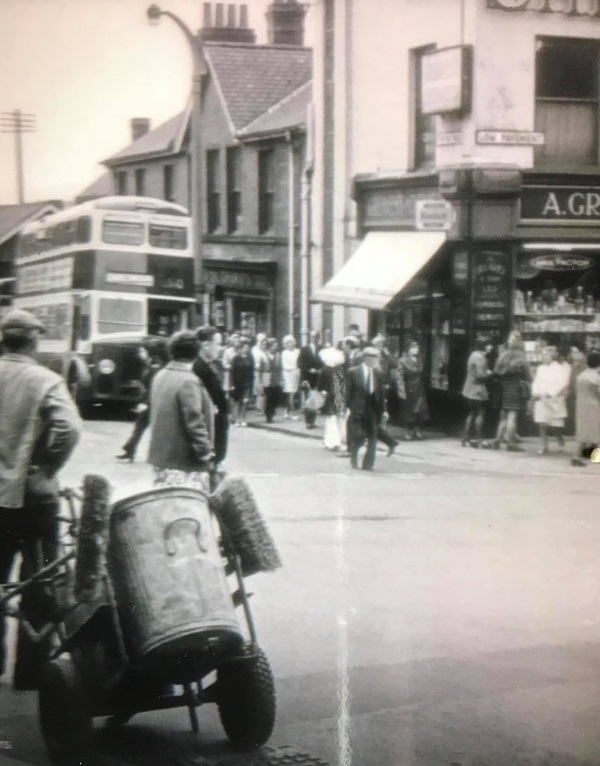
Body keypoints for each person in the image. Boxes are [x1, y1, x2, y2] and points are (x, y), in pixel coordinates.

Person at [0, 309, 81, 684]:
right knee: (40, 580)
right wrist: (45, 465)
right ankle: (30, 671)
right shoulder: (45, 379)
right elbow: (68, 426)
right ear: (33, 341)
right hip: (34, 497)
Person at [148, 330, 214, 491]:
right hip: (184, 461)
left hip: (161, 458)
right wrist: (206, 454)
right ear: (196, 353)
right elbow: (194, 422)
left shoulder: (160, 375)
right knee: (187, 509)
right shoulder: (188, 381)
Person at [117, 338, 169, 462]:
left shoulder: (155, 367)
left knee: (144, 427)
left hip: (151, 402)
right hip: (151, 402)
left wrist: (144, 403)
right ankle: (130, 449)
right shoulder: (152, 364)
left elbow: (152, 387)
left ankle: (131, 450)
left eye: (142, 351)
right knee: (140, 427)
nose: (140, 354)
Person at [193, 326, 230, 467]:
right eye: (218, 344)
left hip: (216, 437)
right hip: (210, 439)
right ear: (206, 346)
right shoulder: (198, 369)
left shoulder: (210, 366)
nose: (221, 348)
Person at [345, 346, 385, 471]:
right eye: (373, 357)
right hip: (357, 408)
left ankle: (368, 464)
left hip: (372, 408)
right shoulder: (353, 372)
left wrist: (384, 411)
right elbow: (347, 391)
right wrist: (343, 408)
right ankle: (354, 455)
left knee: (373, 437)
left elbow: (382, 393)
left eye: (377, 357)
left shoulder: (378, 373)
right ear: (366, 358)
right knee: (358, 436)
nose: (376, 360)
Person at [492, 330, 531, 452]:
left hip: (504, 388)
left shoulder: (503, 355)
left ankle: (497, 440)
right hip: (515, 387)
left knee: (503, 416)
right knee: (512, 416)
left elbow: (496, 371)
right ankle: (511, 443)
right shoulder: (521, 357)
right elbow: (528, 375)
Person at [531, 345, 570, 454]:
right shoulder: (540, 368)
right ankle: (544, 446)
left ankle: (560, 442)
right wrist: (536, 392)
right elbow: (536, 381)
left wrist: (551, 393)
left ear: (552, 356)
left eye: (547, 354)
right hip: (541, 397)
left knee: (556, 426)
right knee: (542, 423)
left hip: (554, 398)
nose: (544, 357)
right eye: (543, 355)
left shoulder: (559, 368)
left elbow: (563, 383)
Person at [571, 351, 600, 467]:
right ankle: (596, 457)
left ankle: (576, 456)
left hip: (581, 407)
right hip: (594, 407)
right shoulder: (597, 378)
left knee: (583, 433)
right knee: (597, 432)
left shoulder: (580, 376)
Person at [461, 337, 491, 448]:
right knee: (480, 413)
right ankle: (479, 439)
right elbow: (480, 375)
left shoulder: (472, 355)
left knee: (472, 413)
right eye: (489, 345)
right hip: (478, 390)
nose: (491, 347)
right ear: (484, 346)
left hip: (469, 389)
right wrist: (488, 373)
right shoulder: (481, 358)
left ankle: (465, 437)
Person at [396, 341, 429, 440]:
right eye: (414, 348)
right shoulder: (402, 361)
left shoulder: (419, 359)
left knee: (420, 410)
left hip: (419, 387)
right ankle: (407, 431)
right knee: (408, 411)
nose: (416, 350)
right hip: (408, 387)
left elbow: (422, 372)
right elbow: (399, 376)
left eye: (417, 348)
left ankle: (417, 430)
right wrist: (401, 390)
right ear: (408, 349)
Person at [318, 346, 347, 452]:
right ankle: (338, 441)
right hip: (340, 395)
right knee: (340, 420)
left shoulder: (325, 370)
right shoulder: (340, 369)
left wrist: (323, 392)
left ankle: (331, 442)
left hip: (330, 396)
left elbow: (320, 386)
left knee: (330, 421)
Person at [230, 339, 255, 427]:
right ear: (241, 349)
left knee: (245, 401)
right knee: (237, 402)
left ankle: (243, 419)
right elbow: (232, 371)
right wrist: (232, 384)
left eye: (248, 348)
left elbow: (252, 371)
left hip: (247, 383)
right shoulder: (236, 358)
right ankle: (236, 419)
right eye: (245, 348)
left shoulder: (251, 358)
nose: (246, 350)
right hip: (237, 383)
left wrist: (252, 382)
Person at [221, 333, 241, 419]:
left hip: (239, 375)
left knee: (238, 395)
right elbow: (224, 363)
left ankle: (237, 414)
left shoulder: (241, 351)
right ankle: (230, 413)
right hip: (229, 375)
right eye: (235, 340)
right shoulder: (227, 351)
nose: (237, 342)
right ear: (232, 342)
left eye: (238, 340)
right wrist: (231, 366)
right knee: (229, 395)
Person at [281, 335, 301, 419]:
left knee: (294, 393)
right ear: (285, 344)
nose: (290, 344)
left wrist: (297, 369)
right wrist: (294, 368)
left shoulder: (298, 351)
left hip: (296, 373)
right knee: (291, 393)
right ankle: (292, 413)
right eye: (288, 343)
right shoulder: (284, 353)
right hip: (288, 374)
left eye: (292, 342)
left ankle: (286, 411)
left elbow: (300, 362)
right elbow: (285, 365)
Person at [263, 338, 281, 424]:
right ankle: (268, 416)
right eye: (274, 346)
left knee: (276, 397)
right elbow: (261, 369)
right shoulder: (264, 355)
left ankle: (272, 412)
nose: (276, 347)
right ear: (270, 346)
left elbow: (279, 368)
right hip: (267, 379)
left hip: (276, 379)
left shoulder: (277, 355)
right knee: (269, 398)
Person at [251, 334, 268, 415]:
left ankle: (263, 407)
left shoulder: (265, 351)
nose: (264, 343)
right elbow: (254, 362)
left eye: (265, 341)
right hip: (257, 372)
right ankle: (259, 408)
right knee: (260, 390)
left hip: (265, 372)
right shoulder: (254, 350)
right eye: (262, 341)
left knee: (264, 390)